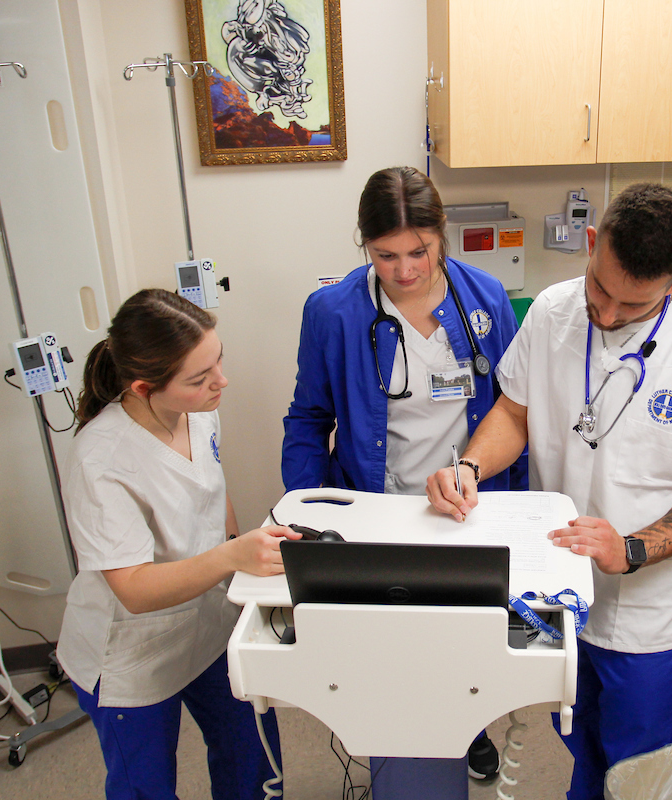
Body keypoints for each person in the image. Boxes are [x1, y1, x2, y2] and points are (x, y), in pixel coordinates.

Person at [426, 183, 672, 800]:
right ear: (592, 246)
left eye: (634, 305)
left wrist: (634, 548)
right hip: (557, 591)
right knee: (580, 744)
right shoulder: (552, 312)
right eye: (600, 288)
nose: (609, 314)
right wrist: (471, 469)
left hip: (649, 617)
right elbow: (514, 412)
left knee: (641, 773)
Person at [281, 165, 525, 777]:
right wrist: (303, 510)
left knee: (466, 639)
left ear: (442, 235)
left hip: (465, 506)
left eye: (419, 251)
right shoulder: (332, 312)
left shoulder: (487, 300)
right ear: (365, 246)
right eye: (385, 255)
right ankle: (392, 736)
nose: (405, 270)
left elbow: (510, 410)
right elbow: (308, 417)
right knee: (392, 647)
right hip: (374, 509)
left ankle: (469, 727)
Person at [57, 289, 296, 800]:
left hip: (206, 622)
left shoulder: (200, 410)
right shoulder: (100, 460)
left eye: (218, 361)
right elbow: (135, 590)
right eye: (200, 377)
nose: (221, 381)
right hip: (131, 652)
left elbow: (210, 489)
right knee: (145, 788)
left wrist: (237, 554)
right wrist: (231, 556)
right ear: (145, 386)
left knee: (249, 757)